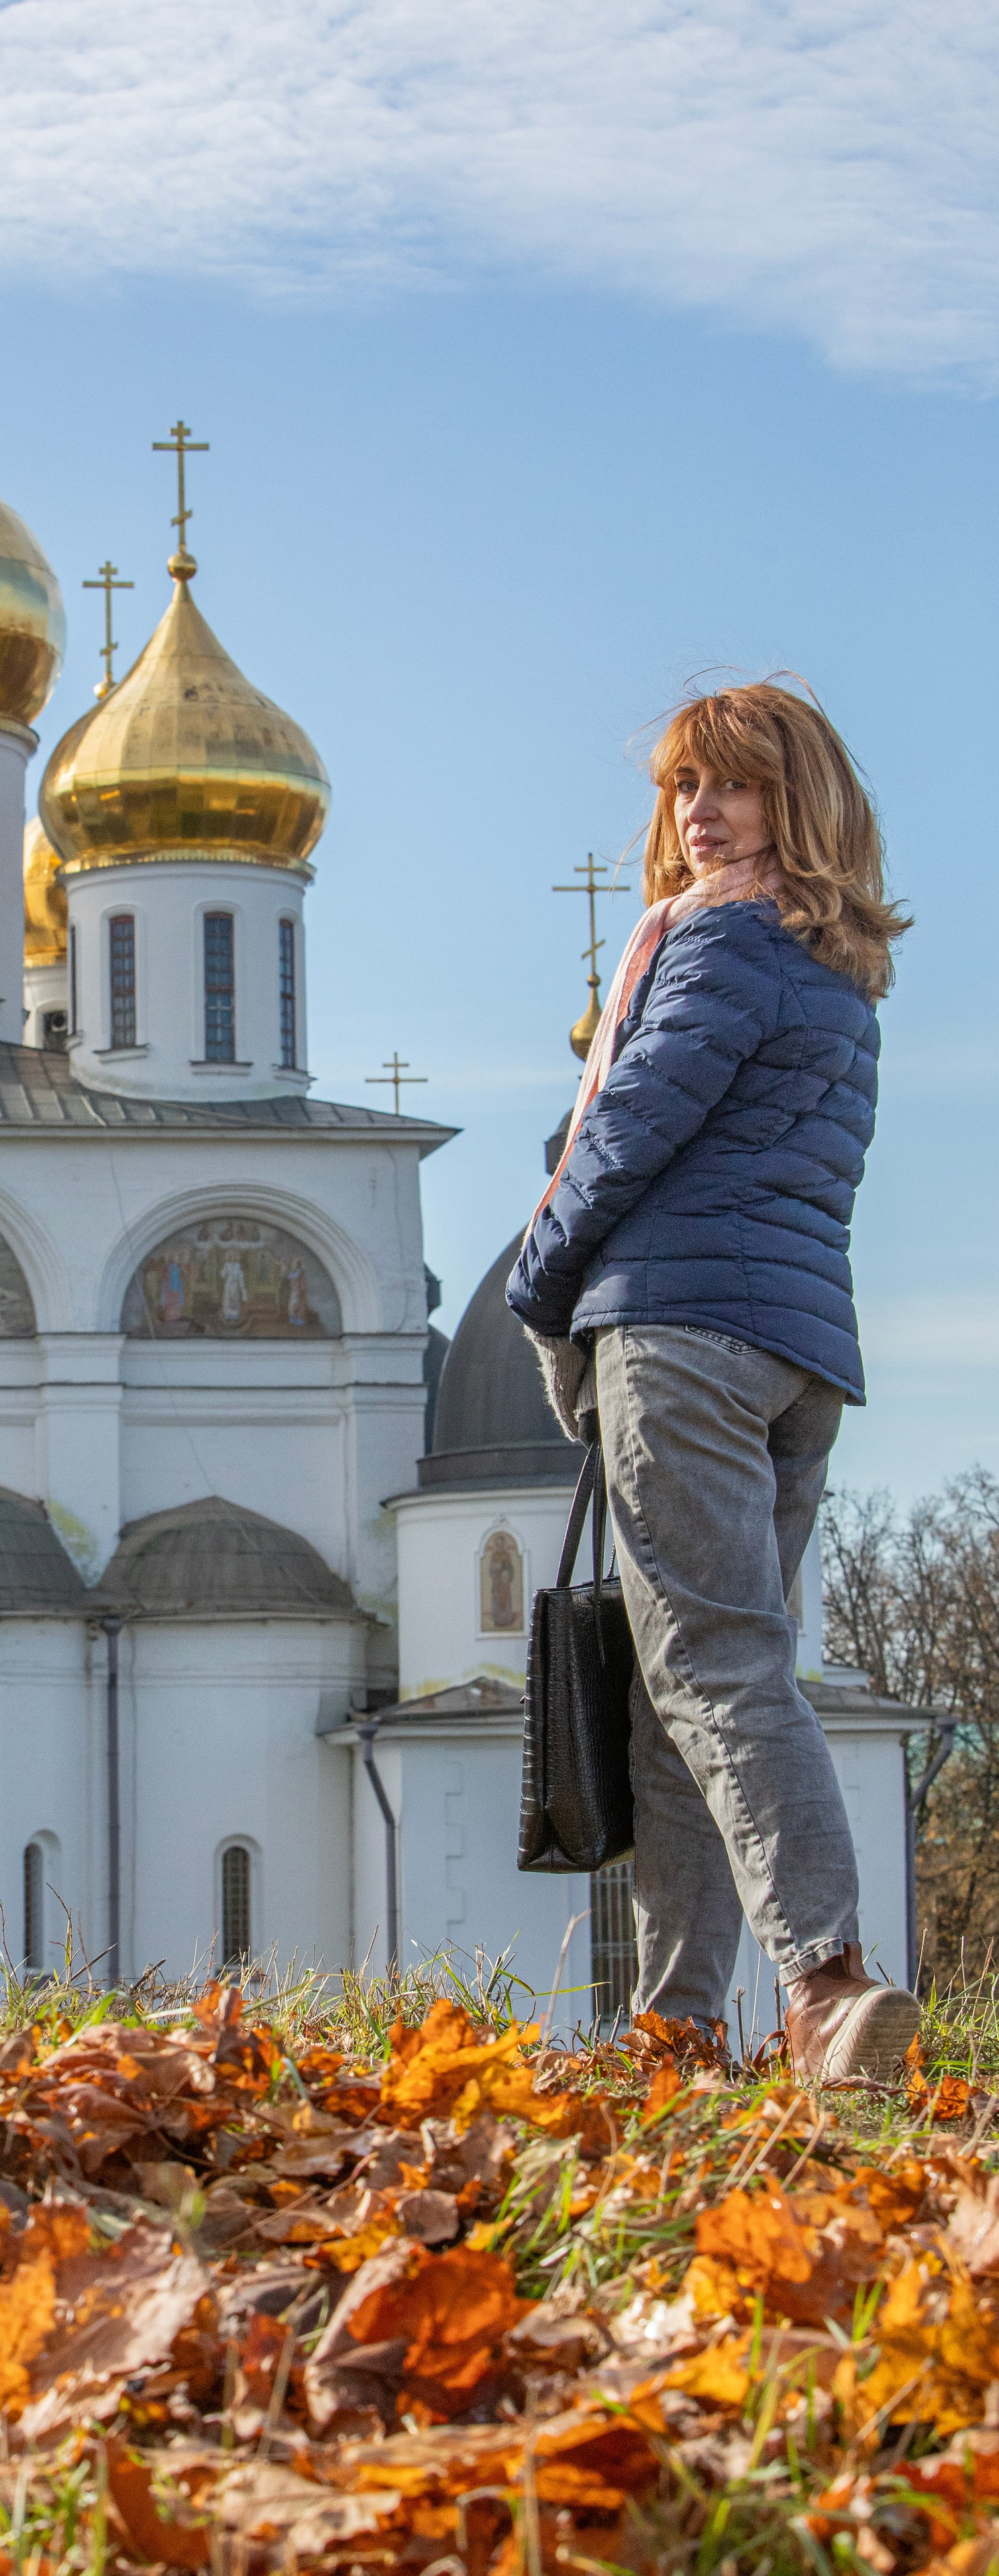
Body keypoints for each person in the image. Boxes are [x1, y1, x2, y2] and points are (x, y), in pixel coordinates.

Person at [507, 681, 914, 2082]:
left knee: (714, 1668)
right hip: (794, 1356)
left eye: (729, 787)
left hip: (680, 1338)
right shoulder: (834, 977)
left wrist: (534, 1289)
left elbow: (618, 1138)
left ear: (792, 806)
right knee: (696, 1687)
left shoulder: (712, 948)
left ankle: (824, 1983)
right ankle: (677, 2019)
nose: (694, 815)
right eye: (681, 787)